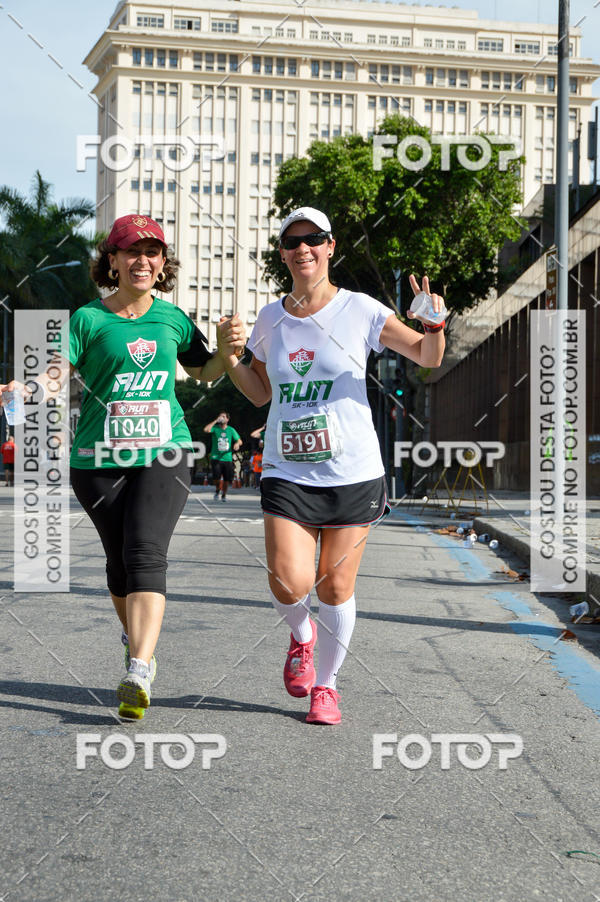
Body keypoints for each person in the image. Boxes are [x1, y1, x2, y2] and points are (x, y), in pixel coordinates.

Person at [0, 213, 245, 719]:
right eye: (132, 250)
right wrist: (25, 389)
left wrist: (225, 354)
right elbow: (55, 374)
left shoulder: (173, 319)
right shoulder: (87, 320)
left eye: (153, 252)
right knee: (119, 566)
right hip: (97, 460)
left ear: (163, 262)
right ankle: (137, 641)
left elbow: (203, 371)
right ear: (112, 260)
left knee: (145, 553)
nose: (143, 260)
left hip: (165, 452)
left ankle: (138, 668)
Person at [217, 206, 446, 725]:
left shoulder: (360, 309)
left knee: (335, 587)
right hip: (288, 469)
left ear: (330, 247)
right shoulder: (270, 319)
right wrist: (231, 359)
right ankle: (302, 636)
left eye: (314, 239)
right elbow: (260, 392)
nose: (303, 249)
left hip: (352, 471)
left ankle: (327, 685)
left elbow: (427, 356)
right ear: (283, 254)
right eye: (292, 242)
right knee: (288, 582)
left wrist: (432, 323)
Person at [203, 411, 242, 502]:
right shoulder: (215, 428)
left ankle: (224, 494)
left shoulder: (231, 430)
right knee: (216, 478)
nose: (221, 418)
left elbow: (240, 441)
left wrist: (237, 444)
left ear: (227, 419)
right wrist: (215, 421)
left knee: (226, 479)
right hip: (216, 457)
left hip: (227, 458)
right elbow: (206, 430)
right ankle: (217, 490)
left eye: (223, 416)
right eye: (220, 416)